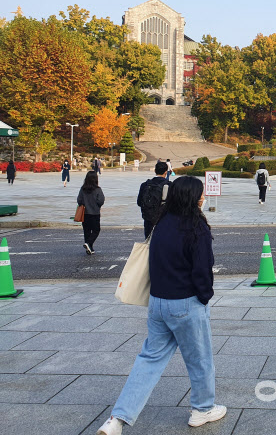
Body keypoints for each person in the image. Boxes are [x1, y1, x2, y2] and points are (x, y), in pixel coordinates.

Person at [96, 176, 225, 435]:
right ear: (192, 197)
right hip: (186, 303)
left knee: (148, 360)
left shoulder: (161, 222)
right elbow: (202, 271)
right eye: (199, 194)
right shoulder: (196, 227)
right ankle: (202, 409)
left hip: (157, 303)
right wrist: (205, 296)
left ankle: (117, 420)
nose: (202, 197)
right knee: (200, 360)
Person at [137, 161, 171, 239]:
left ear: (155, 171)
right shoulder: (170, 185)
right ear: (166, 172)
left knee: (149, 242)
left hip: (148, 219)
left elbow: (139, 202)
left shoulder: (145, 184)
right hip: (164, 219)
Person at [77, 171, 105, 255]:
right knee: (96, 230)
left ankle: (89, 248)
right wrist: (96, 205)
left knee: (87, 231)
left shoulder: (83, 189)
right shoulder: (97, 189)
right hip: (95, 213)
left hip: (85, 213)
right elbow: (101, 200)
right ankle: (89, 244)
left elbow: (79, 200)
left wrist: (84, 204)